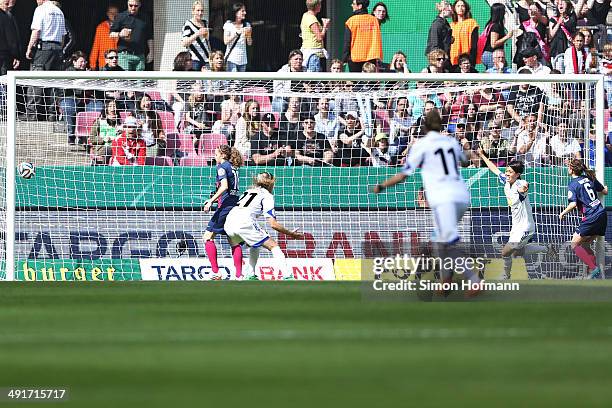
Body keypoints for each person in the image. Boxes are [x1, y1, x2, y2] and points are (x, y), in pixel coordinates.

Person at [372, 110, 481, 292]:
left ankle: (474, 280)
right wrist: (470, 151)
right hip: (462, 195)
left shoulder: (422, 145)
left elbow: (403, 175)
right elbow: (464, 160)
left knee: (447, 241)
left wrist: (382, 186)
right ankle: (446, 281)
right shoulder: (451, 142)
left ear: (424, 126)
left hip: (444, 197)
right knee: (440, 240)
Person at [478, 150, 554, 280]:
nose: (507, 173)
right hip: (516, 226)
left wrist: (523, 190)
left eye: (510, 172)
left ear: (517, 174)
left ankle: (506, 275)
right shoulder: (506, 181)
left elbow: (525, 186)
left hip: (525, 227)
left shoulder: (521, 183)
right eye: (507, 171)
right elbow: (494, 168)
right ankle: (546, 248)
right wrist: (482, 155)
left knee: (505, 252)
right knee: (518, 251)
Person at [224, 172, 304, 280]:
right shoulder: (267, 196)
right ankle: (287, 275)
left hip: (229, 223)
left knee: (255, 244)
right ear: (271, 183)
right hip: (243, 223)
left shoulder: (248, 191)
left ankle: (250, 274)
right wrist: (290, 233)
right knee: (273, 246)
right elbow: (273, 224)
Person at [559, 159, 608, 279]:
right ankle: (595, 275)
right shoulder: (590, 178)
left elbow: (573, 204)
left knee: (574, 244)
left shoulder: (573, 184)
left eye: (568, 166)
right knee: (585, 245)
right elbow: (605, 191)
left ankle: (594, 268)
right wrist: (605, 186)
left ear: (571, 169)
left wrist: (562, 213)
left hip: (591, 217)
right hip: (602, 215)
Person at [202, 145, 245, 280]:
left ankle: (216, 272)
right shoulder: (233, 167)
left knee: (208, 237)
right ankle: (239, 275)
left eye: (216, 154)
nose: (214, 156)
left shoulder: (222, 167)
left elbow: (225, 186)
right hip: (234, 205)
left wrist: (210, 200)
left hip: (225, 207)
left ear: (222, 155)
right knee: (233, 240)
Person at [24, 0, 67, 122]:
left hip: (44, 49)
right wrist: (59, 49)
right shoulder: (59, 11)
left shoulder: (41, 9)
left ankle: (32, 115)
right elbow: (63, 36)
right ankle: (52, 115)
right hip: (58, 49)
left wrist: (29, 48)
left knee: (36, 81)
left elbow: (36, 31)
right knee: (54, 83)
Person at [110, 0, 153, 71]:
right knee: (125, 80)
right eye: (131, 5)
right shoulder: (121, 16)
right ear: (127, 4)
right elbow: (111, 34)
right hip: (125, 55)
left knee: (141, 81)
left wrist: (151, 52)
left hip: (140, 55)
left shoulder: (145, 18)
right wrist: (120, 34)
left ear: (139, 5)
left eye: (136, 6)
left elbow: (149, 36)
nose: (133, 8)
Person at [342, 0, 382, 72]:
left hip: (355, 57)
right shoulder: (374, 20)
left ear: (360, 6)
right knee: (370, 82)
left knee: (357, 82)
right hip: (371, 57)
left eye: (354, 4)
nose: (352, 5)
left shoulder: (351, 21)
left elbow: (347, 41)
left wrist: (344, 59)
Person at [481, 2, 517, 71]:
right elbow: (493, 44)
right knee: (495, 73)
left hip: (489, 54)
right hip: (492, 55)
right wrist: (507, 36)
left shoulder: (490, 24)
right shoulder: (496, 26)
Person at [300, 0, 330, 72]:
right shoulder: (311, 18)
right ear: (316, 6)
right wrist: (325, 26)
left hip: (310, 52)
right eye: (320, 4)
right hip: (313, 54)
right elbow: (319, 37)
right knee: (314, 80)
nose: (321, 6)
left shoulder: (306, 15)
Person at [182, 0, 211, 71]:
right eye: (198, 10)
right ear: (193, 11)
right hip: (195, 60)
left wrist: (210, 56)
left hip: (206, 59)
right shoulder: (188, 24)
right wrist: (197, 33)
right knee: (195, 81)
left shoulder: (205, 23)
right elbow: (184, 43)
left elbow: (207, 42)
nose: (200, 13)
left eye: (202, 10)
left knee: (208, 81)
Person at [90, 99, 121, 165]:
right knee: (108, 149)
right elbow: (92, 138)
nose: (112, 109)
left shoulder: (120, 123)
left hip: (117, 146)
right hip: (102, 147)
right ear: (106, 108)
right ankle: (104, 168)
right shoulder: (99, 121)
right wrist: (104, 139)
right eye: (110, 106)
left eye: (114, 106)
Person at [223, 2, 252, 72]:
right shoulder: (228, 24)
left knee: (240, 82)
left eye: (245, 11)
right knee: (234, 82)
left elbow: (249, 43)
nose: (245, 13)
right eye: (242, 11)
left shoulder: (247, 24)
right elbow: (225, 41)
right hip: (232, 59)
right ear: (236, 12)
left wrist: (248, 35)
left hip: (243, 59)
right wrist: (237, 33)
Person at [449, 0, 479, 66]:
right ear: (454, 9)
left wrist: (472, 59)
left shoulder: (472, 23)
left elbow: (474, 43)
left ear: (466, 8)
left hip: (467, 60)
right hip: (454, 60)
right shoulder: (451, 25)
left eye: (463, 6)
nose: (460, 8)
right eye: (458, 6)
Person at [89, 5, 119, 70]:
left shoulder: (121, 27)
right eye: (111, 13)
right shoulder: (101, 27)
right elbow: (96, 46)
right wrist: (92, 64)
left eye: (116, 13)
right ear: (107, 14)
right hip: (104, 63)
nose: (114, 15)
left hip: (118, 63)